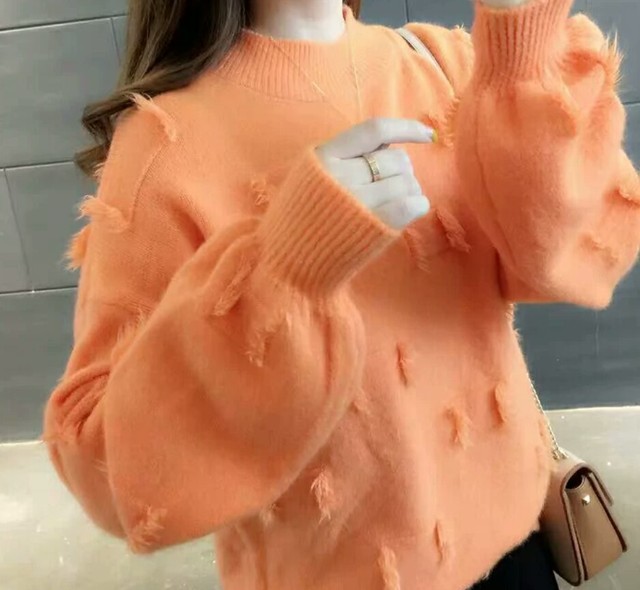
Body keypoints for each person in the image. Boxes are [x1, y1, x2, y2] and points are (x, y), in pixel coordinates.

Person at [44, 0, 639, 588]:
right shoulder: (161, 148)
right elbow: (112, 477)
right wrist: (286, 267)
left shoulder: (443, 64)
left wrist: (522, 50)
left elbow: (588, 253)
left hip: (517, 548)